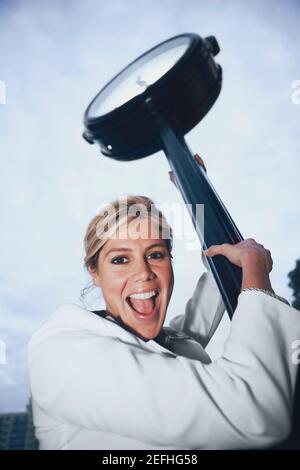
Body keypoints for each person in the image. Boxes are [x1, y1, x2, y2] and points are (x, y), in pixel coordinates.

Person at [28, 156, 300, 450]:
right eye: (120, 259)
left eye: (155, 254)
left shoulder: (169, 340)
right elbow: (255, 413)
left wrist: (196, 191)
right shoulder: (61, 352)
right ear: (94, 271)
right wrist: (257, 275)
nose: (143, 273)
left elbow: (218, 281)